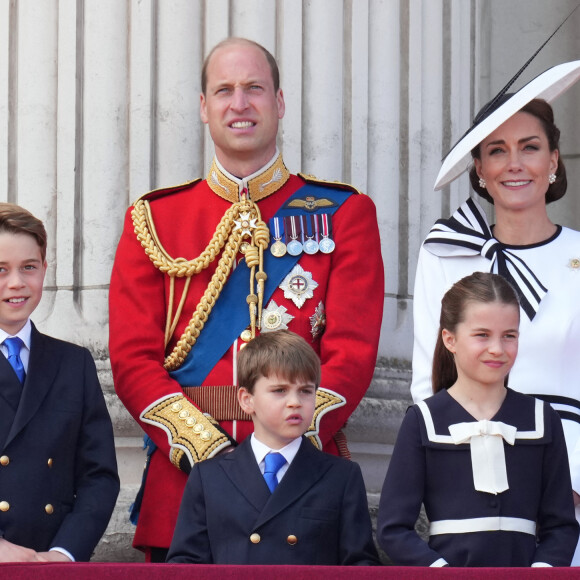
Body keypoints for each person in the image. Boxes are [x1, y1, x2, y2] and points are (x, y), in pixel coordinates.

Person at [109, 37, 384, 560]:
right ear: (204, 107)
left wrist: (284, 443)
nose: (239, 103)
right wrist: (210, 454)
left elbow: (351, 354)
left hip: (304, 482)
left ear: (279, 103)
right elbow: (132, 360)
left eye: (254, 89)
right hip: (186, 483)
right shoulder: (154, 219)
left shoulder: (344, 213)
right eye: (224, 90)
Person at [410, 61, 580, 563]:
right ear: (478, 170)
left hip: (572, 486)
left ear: (553, 159)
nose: (514, 164)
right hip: (473, 477)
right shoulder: (446, 254)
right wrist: (453, 480)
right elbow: (428, 380)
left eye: (529, 147)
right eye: (496, 152)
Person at [380, 272, 579, 567]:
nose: (497, 349)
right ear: (450, 339)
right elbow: (393, 530)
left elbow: (561, 526)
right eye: (482, 335)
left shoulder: (542, 418)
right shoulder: (423, 420)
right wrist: (441, 572)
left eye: (509, 335)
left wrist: (541, 572)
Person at [166, 330, 380, 565]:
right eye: (280, 391)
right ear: (247, 400)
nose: (295, 402)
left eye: (306, 391)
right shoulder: (209, 476)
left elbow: (360, 566)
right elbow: (186, 566)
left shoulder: (341, 477)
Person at [0, 203, 119, 563]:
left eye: (29, 268)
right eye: (0, 270)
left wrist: (64, 554)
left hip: (50, 561)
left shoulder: (74, 363)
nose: (16, 283)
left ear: (44, 270)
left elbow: (98, 475)